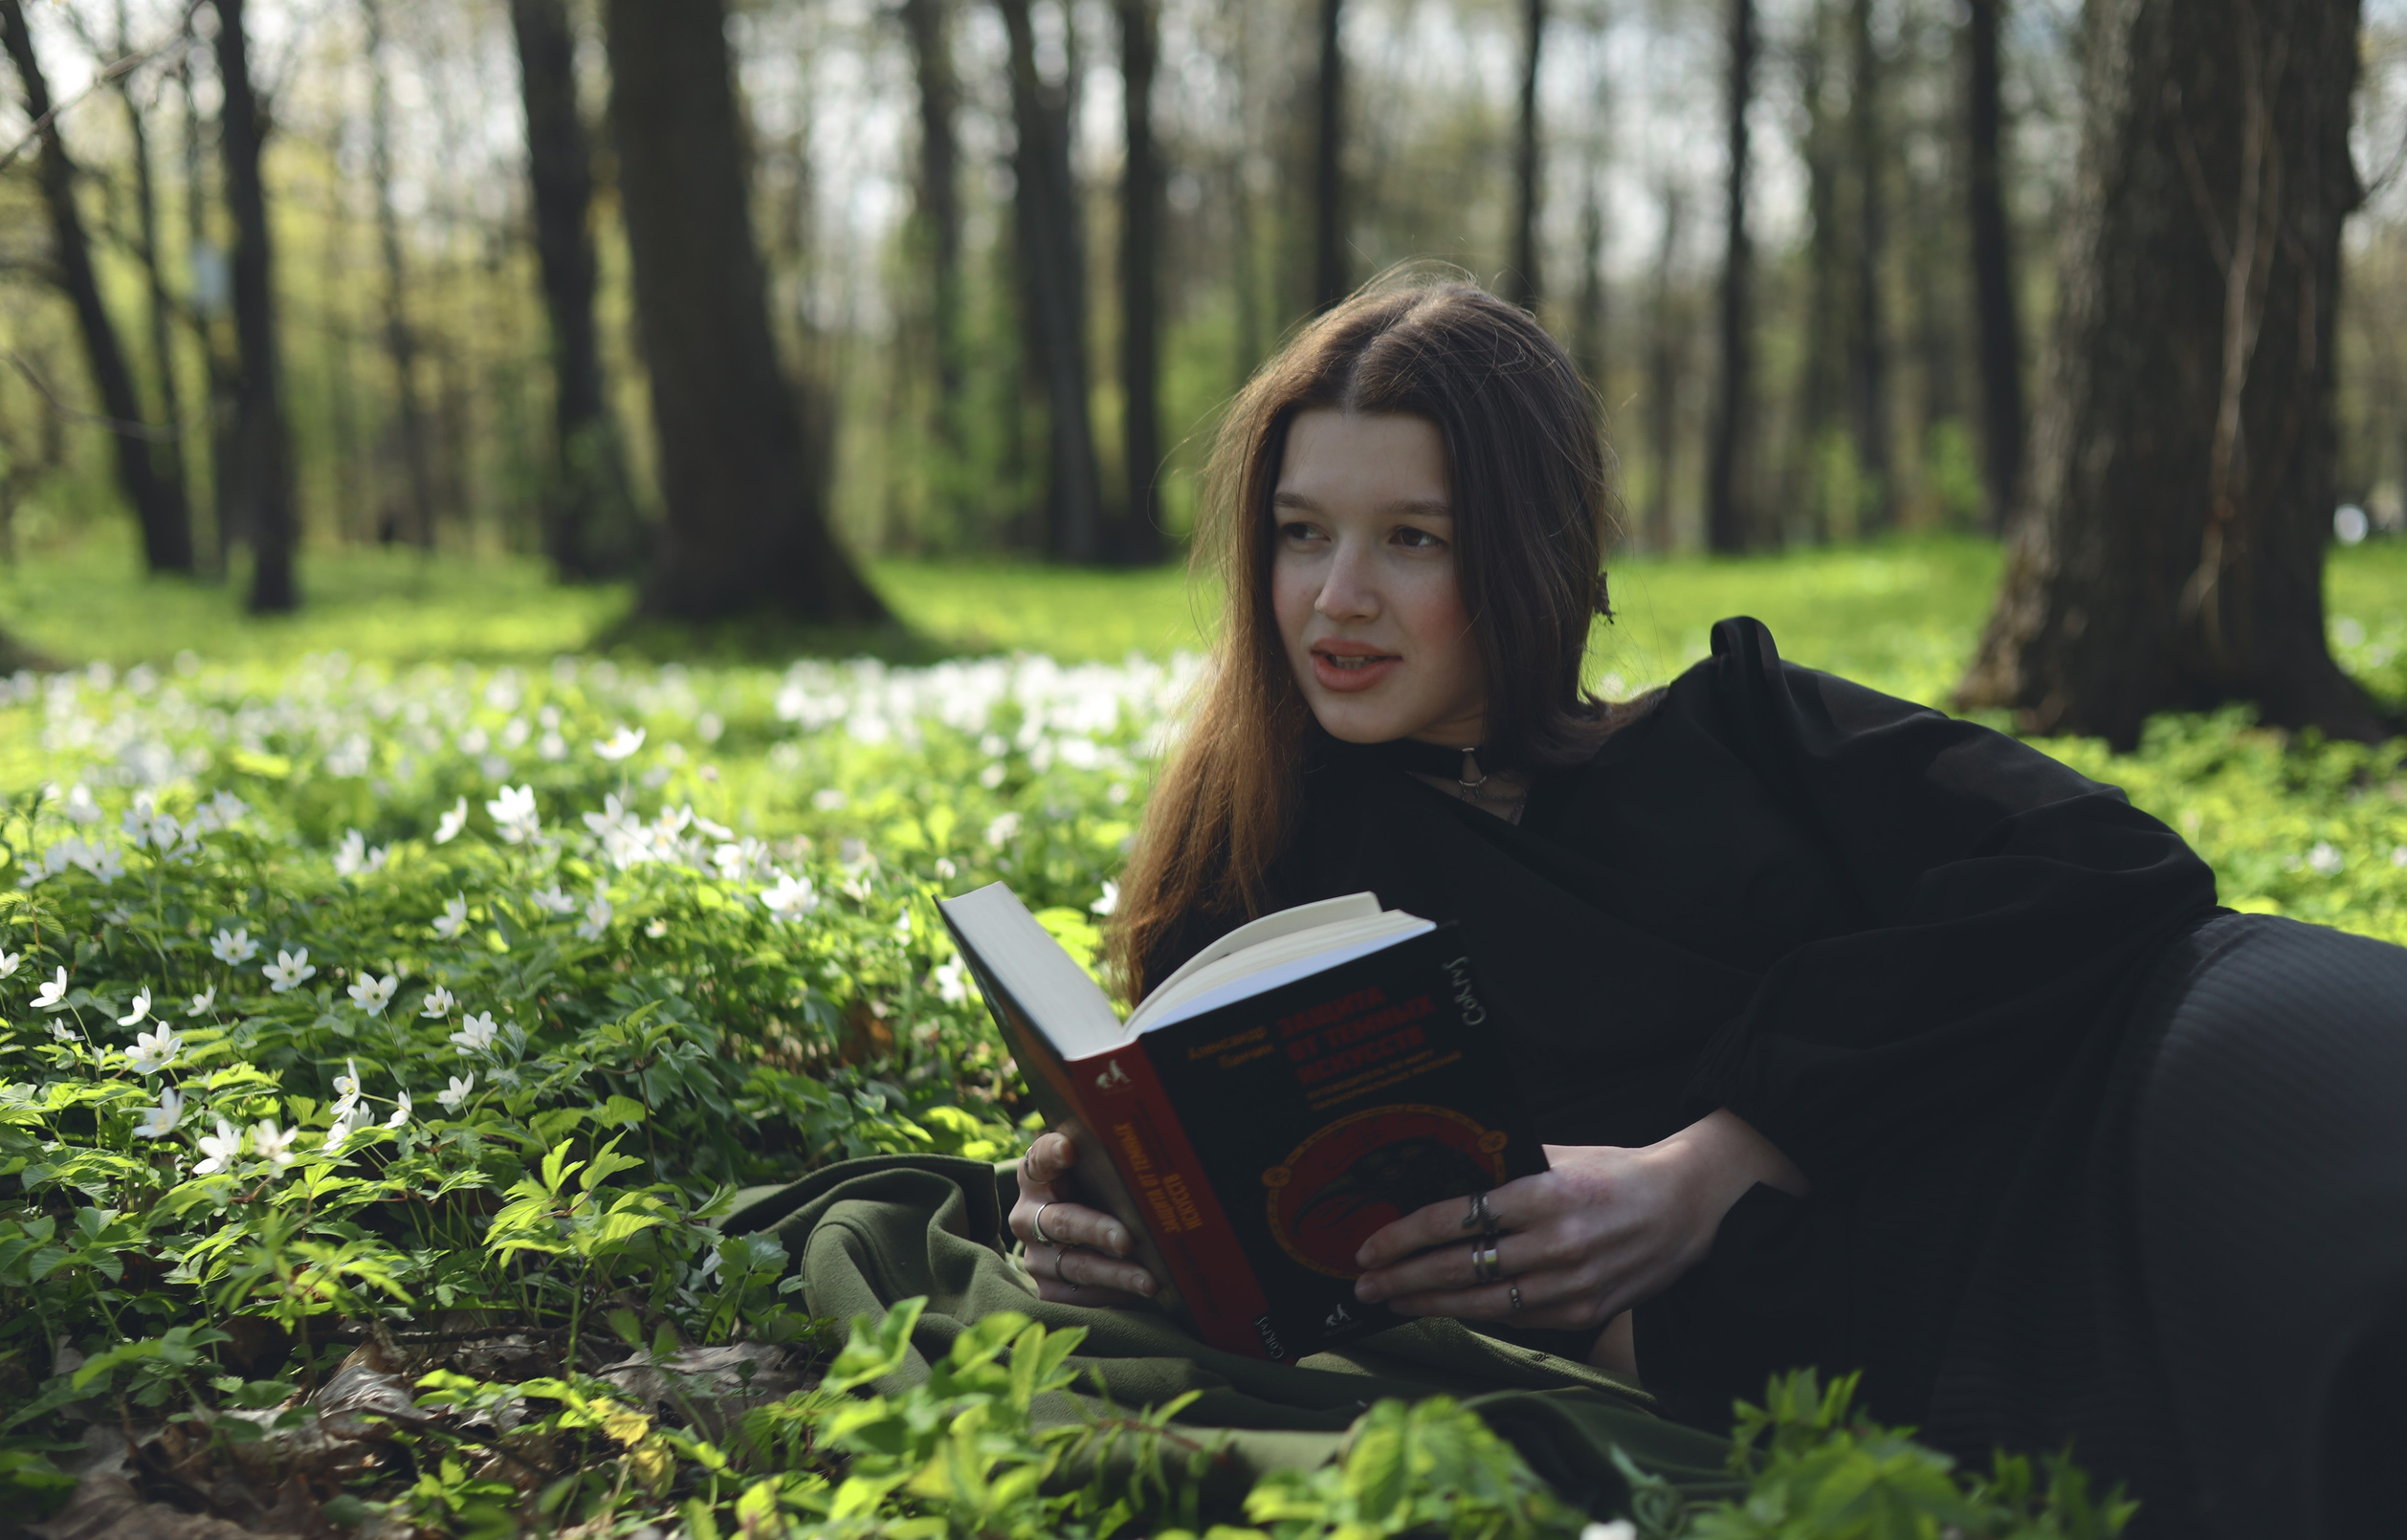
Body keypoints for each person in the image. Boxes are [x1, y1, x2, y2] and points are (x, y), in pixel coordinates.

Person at [998, 277, 2407, 1539]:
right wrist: (1117, 1224)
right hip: (1939, 1287)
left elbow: (2115, 866)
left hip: (2157, 1069)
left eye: (1412, 540)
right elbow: (1308, 1244)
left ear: (1527, 555)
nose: (1338, 599)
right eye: (1302, 535)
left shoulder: (1741, 725)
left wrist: (1718, 1157)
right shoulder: (1263, 879)